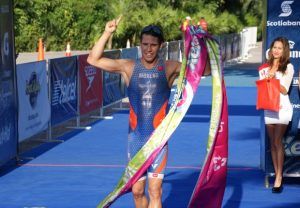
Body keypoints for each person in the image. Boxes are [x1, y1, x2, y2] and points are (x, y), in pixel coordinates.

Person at [87, 18, 183, 208]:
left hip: (158, 141)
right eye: (145, 44)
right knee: (137, 192)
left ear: (160, 46)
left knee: (155, 191)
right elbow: (93, 59)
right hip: (136, 140)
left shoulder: (170, 67)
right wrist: (107, 32)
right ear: (140, 44)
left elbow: (202, 70)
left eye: (153, 45)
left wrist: (201, 44)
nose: (148, 49)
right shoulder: (128, 66)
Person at [258, 37, 294, 193]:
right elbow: (263, 88)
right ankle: (277, 174)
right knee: (272, 143)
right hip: (269, 108)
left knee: (278, 141)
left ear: (284, 50)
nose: (276, 50)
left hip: (283, 108)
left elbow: (285, 89)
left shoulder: (288, 67)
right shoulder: (264, 67)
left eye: (280, 48)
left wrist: (273, 79)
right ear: (271, 49)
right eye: (274, 47)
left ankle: (279, 177)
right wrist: (264, 80)